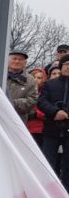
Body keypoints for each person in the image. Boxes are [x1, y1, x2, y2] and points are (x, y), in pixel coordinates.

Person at [37, 58, 69, 191]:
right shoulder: (50, 84)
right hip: (51, 129)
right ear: (61, 66)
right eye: (66, 65)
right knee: (47, 162)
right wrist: (55, 112)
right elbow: (41, 102)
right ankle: (45, 191)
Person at [6, 50, 39, 125]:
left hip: (18, 121)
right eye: (14, 58)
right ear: (8, 60)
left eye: (20, 59)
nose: (17, 61)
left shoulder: (30, 80)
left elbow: (32, 100)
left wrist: (11, 103)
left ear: (25, 63)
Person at [28, 67, 48, 144]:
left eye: (39, 78)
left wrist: (36, 114)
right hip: (26, 127)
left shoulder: (46, 93)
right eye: (33, 77)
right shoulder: (25, 91)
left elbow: (49, 112)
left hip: (40, 129)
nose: (35, 80)